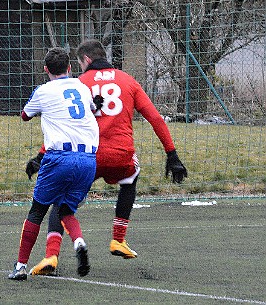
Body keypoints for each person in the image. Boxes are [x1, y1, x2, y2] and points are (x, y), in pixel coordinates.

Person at [26, 39, 187, 276]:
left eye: (81, 63)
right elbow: (155, 118)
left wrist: (41, 156)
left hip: (86, 157)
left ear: (87, 60)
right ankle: (118, 239)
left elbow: (64, 126)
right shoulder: (128, 80)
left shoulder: (79, 84)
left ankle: (51, 255)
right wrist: (171, 154)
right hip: (121, 157)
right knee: (131, 176)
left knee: (61, 203)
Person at [8, 47, 99, 280]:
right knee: (66, 209)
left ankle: (19, 266)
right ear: (69, 68)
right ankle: (78, 242)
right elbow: (92, 109)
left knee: (37, 211)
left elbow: (25, 115)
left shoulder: (43, 90)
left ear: (46, 70)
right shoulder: (81, 86)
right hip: (89, 160)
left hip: (60, 157)